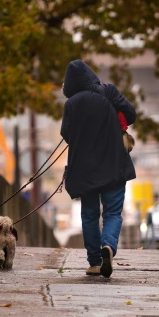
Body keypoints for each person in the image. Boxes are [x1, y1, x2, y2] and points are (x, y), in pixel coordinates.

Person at [60, 60, 136, 278]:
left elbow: (67, 134)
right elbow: (130, 113)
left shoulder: (71, 104)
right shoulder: (108, 91)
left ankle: (94, 262)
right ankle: (108, 247)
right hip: (113, 162)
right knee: (112, 212)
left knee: (90, 215)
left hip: (85, 169)